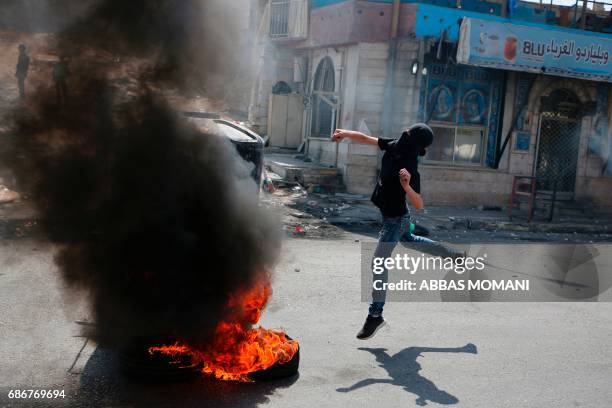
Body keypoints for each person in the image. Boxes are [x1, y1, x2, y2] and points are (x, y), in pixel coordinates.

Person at [332, 124, 461, 340]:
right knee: (409, 240)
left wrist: (407, 186)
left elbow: (419, 204)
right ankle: (452, 255)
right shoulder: (394, 145)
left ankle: (375, 315)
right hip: (394, 216)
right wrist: (345, 134)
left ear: (412, 141)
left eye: (408, 133)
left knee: (379, 262)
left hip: (396, 219)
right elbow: (367, 138)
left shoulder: (409, 165)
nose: (404, 133)